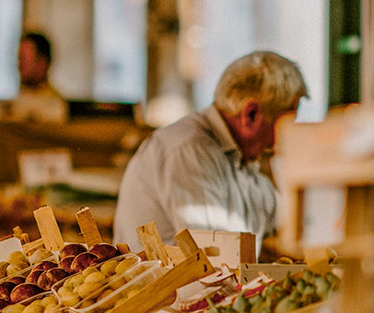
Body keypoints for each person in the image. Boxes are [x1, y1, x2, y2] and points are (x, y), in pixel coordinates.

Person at [114, 51, 308, 246]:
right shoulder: (189, 151)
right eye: (285, 124)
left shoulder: (240, 158)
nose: (281, 140)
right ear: (251, 114)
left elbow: (284, 217)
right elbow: (216, 256)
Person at [7, 31, 66, 122]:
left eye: (24, 59)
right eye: (19, 59)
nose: (19, 65)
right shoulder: (11, 105)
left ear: (42, 63)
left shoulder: (55, 107)